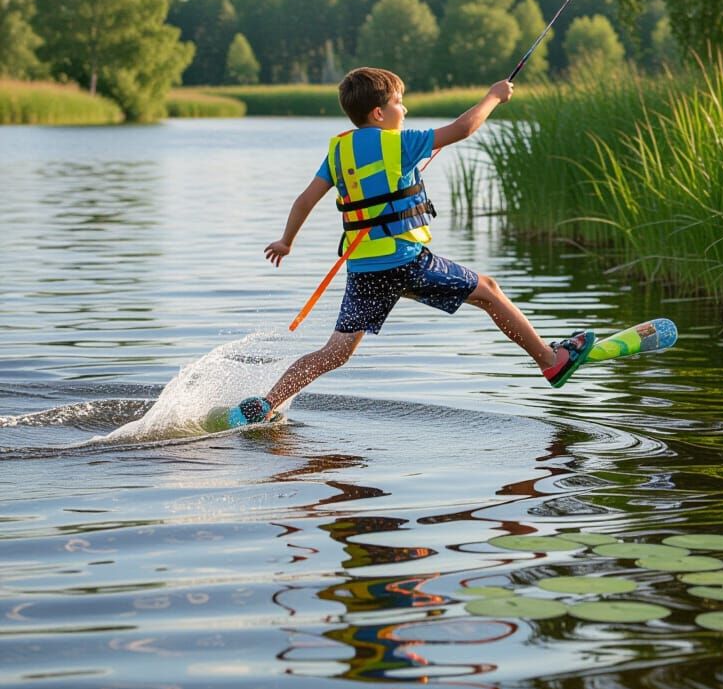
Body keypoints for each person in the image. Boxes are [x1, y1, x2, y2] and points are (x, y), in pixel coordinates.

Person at [227, 66, 594, 426]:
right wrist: (494, 96)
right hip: (407, 262)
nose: (405, 110)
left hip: (365, 272)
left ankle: (265, 403)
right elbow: (464, 128)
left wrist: (286, 241)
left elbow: (304, 201)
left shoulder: (338, 151)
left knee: (334, 353)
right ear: (379, 112)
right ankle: (550, 360)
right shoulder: (399, 141)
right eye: (400, 103)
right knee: (489, 291)